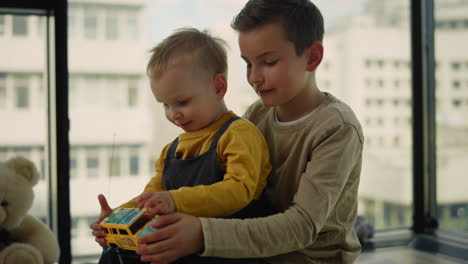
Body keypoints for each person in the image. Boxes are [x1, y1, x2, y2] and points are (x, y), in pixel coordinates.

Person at [133, 0, 365, 264]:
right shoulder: (257, 114)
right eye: (247, 64)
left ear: (312, 57)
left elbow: (302, 226)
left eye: (268, 62)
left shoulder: (337, 128)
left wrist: (200, 234)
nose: (254, 77)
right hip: (252, 252)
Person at [90, 27, 273, 264]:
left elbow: (239, 191)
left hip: (229, 251)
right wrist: (116, 218)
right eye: (165, 105)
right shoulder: (171, 150)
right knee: (116, 256)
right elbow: (150, 200)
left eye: (182, 102)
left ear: (218, 87)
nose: (173, 114)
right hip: (182, 250)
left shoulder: (239, 134)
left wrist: (175, 200)